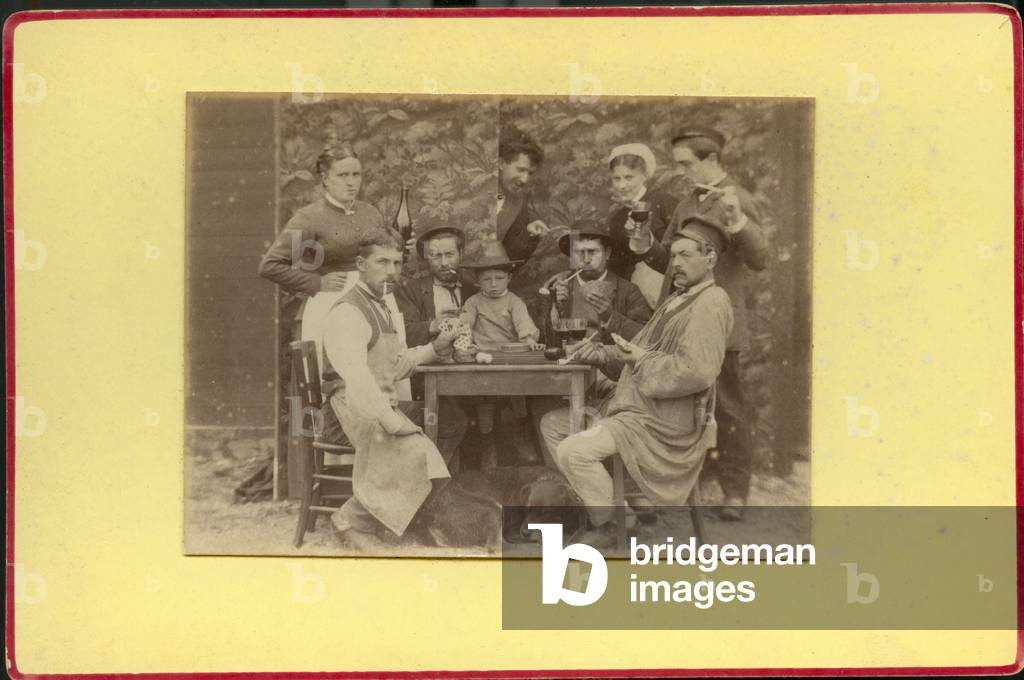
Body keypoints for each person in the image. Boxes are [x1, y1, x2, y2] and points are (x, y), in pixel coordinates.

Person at [539, 215, 734, 548]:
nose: (676, 264)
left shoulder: (710, 304)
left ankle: (609, 524)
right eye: (674, 256)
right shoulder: (677, 299)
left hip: (665, 423)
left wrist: (639, 359)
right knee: (553, 425)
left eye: (686, 255)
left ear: (710, 258)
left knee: (573, 450)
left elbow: (697, 371)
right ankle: (622, 518)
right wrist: (597, 354)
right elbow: (636, 351)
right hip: (642, 408)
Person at [626, 126, 768, 521]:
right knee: (682, 407)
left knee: (728, 409)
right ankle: (688, 488)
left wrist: (737, 221)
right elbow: (669, 261)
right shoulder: (687, 201)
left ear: (711, 160)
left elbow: (760, 258)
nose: (682, 172)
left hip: (721, 325)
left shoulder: (738, 199)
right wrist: (644, 244)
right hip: (681, 323)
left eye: (688, 163)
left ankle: (735, 491)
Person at [320, 230, 462, 547]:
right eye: (382, 262)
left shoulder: (381, 306)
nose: (392, 272)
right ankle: (351, 520)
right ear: (361, 264)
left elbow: (395, 364)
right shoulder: (349, 311)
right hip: (349, 409)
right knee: (414, 450)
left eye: (397, 263)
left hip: (379, 402)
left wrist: (436, 347)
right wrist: (392, 420)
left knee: (451, 419)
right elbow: (357, 378)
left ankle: (409, 513)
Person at [259, 143, 388, 297]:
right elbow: (270, 265)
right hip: (333, 300)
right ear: (325, 179)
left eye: (356, 174)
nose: (351, 182)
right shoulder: (309, 218)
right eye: (342, 175)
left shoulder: (371, 213)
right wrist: (316, 282)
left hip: (376, 298)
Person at [459, 241, 542, 465]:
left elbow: (524, 326)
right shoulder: (473, 302)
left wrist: (528, 340)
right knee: (483, 399)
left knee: (518, 393)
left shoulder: (515, 302)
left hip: (508, 358)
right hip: (482, 359)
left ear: (509, 278)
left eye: (499, 278)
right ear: (477, 281)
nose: (493, 284)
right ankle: (488, 443)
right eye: (486, 279)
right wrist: (465, 342)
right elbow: (464, 326)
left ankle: (520, 436)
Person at [547, 219, 653, 346]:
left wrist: (610, 316)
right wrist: (558, 309)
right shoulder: (560, 289)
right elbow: (548, 343)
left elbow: (647, 339)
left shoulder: (628, 291)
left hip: (610, 364)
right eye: (579, 252)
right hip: (569, 365)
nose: (586, 259)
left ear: (607, 253)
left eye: (593, 251)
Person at [603, 143, 679, 308]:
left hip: (671, 290)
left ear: (644, 175)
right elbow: (617, 266)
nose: (622, 185)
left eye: (629, 177)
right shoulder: (618, 218)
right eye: (617, 178)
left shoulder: (664, 202)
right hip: (636, 300)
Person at [394, 223, 478, 348]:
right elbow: (400, 333)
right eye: (436, 256)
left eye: (449, 255)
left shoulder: (473, 286)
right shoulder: (410, 289)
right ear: (427, 257)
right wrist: (432, 325)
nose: (444, 263)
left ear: (460, 254)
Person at [497, 126, 550, 262]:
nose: (525, 179)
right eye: (520, 170)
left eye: (530, 173)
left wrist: (528, 234)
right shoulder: (474, 192)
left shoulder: (518, 200)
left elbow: (511, 256)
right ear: (501, 163)